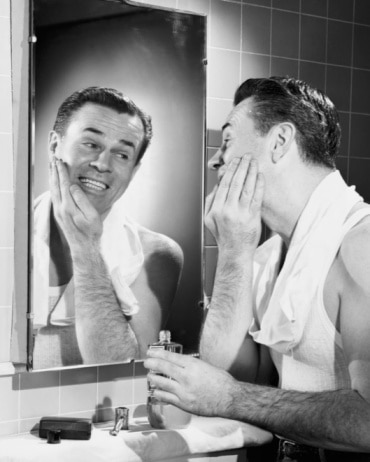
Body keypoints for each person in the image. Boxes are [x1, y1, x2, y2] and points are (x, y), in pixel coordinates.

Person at [144, 77, 370, 460]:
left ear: (280, 142)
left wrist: (231, 397)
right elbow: (229, 382)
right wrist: (234, 250)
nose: (216, 160)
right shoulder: (267, 258)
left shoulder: (359, 246)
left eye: (227, 140)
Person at [32, 86, 183, 369]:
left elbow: (121, 372)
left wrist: (86, 246)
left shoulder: (156, 255)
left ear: (134, 171)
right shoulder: (9, 236)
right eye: (90, 144)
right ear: (54, 146)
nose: (102, 164)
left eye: (122, 154)